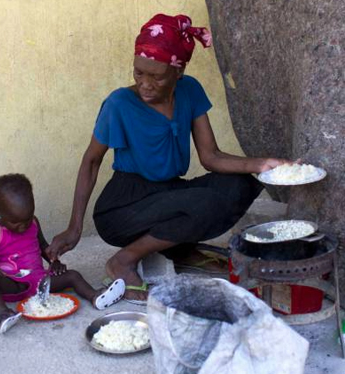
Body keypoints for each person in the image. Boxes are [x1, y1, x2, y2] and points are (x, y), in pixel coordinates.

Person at [45, 14, 291, 304]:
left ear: (179, 71)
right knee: (202, 203)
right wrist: (74, 227)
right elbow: (91, 162)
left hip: (169, 192)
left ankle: (181, 250)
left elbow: (210, 156)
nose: (145, 84)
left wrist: (262, 165)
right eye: (139, 73)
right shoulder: (119, 104)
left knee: (241, 185)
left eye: (157, 76)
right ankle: (122, 261)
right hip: (124, 205)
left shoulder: (190, 91)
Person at [0, 174, 125, 333]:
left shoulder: (33, 222)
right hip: (12, 283)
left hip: (40, 282)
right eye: (15, 222)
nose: (22, 226)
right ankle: (4, 313)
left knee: (73, 275)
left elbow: (42, 246)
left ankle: (96, 297)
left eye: (26, 219)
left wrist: (54, 261)